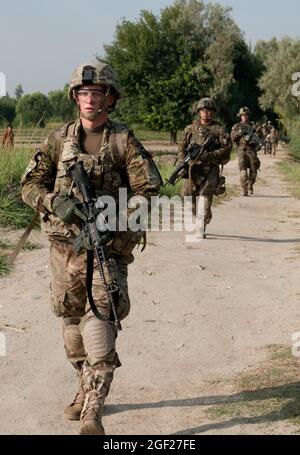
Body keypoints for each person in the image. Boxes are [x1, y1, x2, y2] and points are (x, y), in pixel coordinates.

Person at [21, 60, 162, 435]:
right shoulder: (57, 140)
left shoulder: (122, 140)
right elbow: (30, 184)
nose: (89, 99)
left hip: (107, 247)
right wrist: (55, 202)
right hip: (65, 248)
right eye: (83, 93)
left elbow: (148, 189)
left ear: (110, 98)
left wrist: (116, 218)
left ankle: (94, 410)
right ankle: (84, 385)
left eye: (96, 93)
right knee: (69, 323)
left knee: (100, 320)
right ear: (75, 97)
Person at [178, 97, 232, 238]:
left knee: (204, 197)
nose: (206, 113)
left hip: (211, 169)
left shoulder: (219, 130)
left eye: (209, 111)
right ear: (198, 112)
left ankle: (201, 224)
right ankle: (199, 217)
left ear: (213, 113)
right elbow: (181, 147)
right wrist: (183, 162)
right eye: (203, 110)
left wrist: (209, 156)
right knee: (187, 195)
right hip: (192, 168)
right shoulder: (190, 129)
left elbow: (227, 148)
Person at [231, 107, 261, 197]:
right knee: (243, 171)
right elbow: (232, 137)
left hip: (252, 150)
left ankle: (250, 184)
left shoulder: (253, 126)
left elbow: (259, 138)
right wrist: (240, 132)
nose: (245, 117)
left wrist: (255, 141)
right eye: (243, 115)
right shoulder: (236, 126)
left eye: (246, 115)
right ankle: (244, 189)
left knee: (254, 170)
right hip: (242, 150)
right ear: (240, 116)